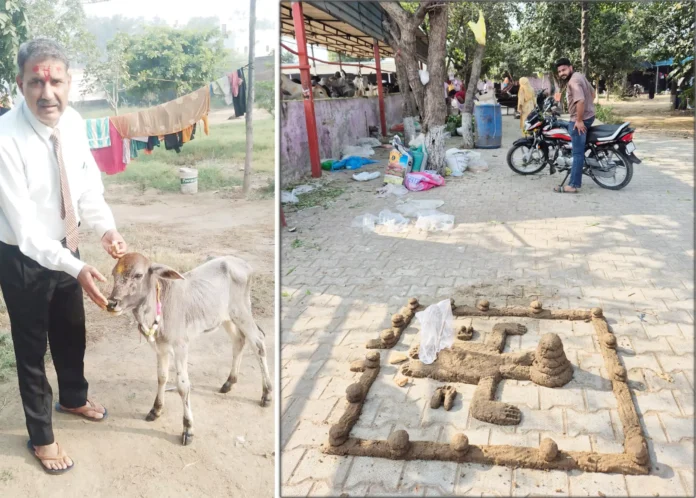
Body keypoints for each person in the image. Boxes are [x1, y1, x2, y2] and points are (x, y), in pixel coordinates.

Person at [0, 38, 128, 473]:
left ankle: (73, 398)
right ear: (20, 84)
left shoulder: (71, 122)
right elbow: (26, 229)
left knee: (71, 330)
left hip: (67, 245)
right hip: (21, 254)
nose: (46, 92)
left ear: (69, 82)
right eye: (36, 81)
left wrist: (106, 228)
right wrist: (75, 265)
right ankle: (41, 436)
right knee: (32, 345)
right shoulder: (5, 138)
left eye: (55, 80)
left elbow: (87, 186)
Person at [552, 57, 596, 193]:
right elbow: (593, 93)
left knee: (578, 153)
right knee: (563, 125)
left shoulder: (573, 81)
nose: (561, 73)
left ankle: (573, 185)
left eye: (564, 70)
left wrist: (579, 120)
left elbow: (580, 101)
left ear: (570, 67)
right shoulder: (579, 76)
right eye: (559, 72)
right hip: (589, 115)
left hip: (581, 119)